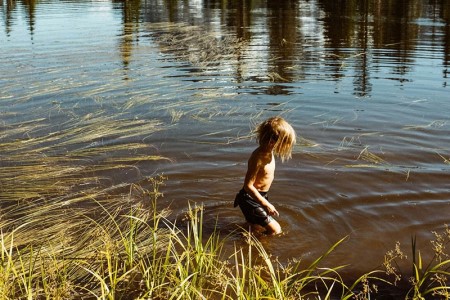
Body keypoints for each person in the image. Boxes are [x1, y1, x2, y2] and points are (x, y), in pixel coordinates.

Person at [234, 116, 296, 235]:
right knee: (276, 230)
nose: (284, 147)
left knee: (254, 227)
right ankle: (259, 248)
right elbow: (248, 186)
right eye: (284, 143)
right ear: (272, 142)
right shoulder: (258, 158)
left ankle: (244, 241)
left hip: (260, 196)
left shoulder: (268, 152)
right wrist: (266, 204)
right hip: (249, 198)